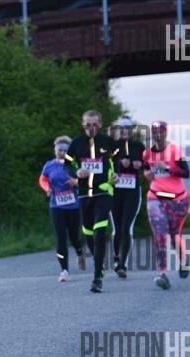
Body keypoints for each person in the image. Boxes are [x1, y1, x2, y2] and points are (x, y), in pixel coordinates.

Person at [65, 110, 119, 293]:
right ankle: (99, 262)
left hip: (103, 191)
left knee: (99, 231)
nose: (91, 128)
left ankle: (97, 277)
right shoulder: (76, 144)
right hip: (83, 194)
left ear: (101, 124)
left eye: (95, 124)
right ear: (83, 125)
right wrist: (76, 172)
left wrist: (117, 174)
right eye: (88, 124)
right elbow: (66, 165)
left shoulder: (108, 142)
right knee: (88, 233)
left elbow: (118, 159)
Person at [142, 120, 190, 289]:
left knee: (175, 235)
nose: (158, 135)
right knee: (160, 234)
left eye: (161, 132)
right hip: (155, 198)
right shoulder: (147, 153)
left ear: (166, 133)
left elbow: (186, 173)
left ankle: (183, 260)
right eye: (155, 132)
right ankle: (162, 273)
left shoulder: (175, 150)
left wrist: (168, 168)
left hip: (177, 200)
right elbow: (146, 168)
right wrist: (147, 174)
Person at [39, 135, 85, 282]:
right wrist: (47, 188)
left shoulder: (75, 164)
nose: (62, 153)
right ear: (55, 150)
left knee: (74, 236)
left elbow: (87, 179)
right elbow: (43, 179)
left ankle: (80, 252)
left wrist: (76, 182)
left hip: (73, 205)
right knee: (61, 238)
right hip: (56, 205)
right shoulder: (49, 165)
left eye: (65, 150)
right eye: (59, 150)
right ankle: (64, 270)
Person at [110, 116, 145, 277]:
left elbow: (148, 166)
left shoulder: (139, 146)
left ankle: (123, 264)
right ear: (118, 129)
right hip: (115, 191)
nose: (125, 131)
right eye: (122, 128)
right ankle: (116, 258)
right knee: (117, 229)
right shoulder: (112, 146)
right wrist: (119, 164)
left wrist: (141, 165)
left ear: (132, 130)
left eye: (128, 128)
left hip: (132, 191)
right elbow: (105, 165)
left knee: (126, 228)